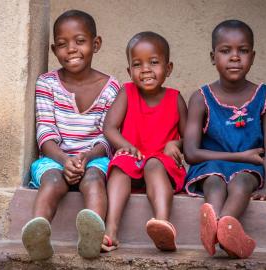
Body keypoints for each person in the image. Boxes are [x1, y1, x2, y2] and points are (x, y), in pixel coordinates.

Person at [184, 19, 266, 259]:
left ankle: (220, 228)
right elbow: (190, 152)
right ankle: (223, 229)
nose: (235, 57)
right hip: (209, 165)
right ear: (213, 56)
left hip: (249, 168)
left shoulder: (265, 96)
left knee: (240, 183)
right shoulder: (201, 98)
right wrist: (239, 155)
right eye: (225, 50)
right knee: (215, 184)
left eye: (243, 50)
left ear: (253, 55)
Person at [21, 10, 119, 260]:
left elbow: (107, 136)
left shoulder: (111, 88)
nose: (71, 49)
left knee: (94, 179)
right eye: (62, 45)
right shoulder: (46, 83)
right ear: (54, 50)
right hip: (55, 158)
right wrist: (65, 160)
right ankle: (38, 235)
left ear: (96, 44)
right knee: (52, 181)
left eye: (80, 41)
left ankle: (92, 236)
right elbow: (45, 133)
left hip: (93, 157)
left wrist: (85, 158)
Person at [102, 31, 188, 252]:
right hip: (134, 158)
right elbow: (109, 127)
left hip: (162, 164)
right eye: (137, 65)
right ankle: (110, 231)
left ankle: (162, 225)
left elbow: (191, 139)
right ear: (129, 71)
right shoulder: (127, 93)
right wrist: (124, 145)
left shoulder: (175, 98)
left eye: (154, 62)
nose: (146, 69)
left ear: (168, 69)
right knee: (120, 165)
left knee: (153, 164)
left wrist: (175, 144)